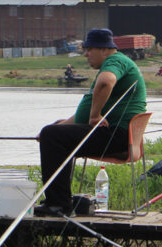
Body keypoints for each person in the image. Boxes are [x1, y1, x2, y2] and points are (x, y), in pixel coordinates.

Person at [35, 29, 147, 217]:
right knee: (53, 133)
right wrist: (60, 127)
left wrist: (95, 116)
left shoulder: (115, 61)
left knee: (52, 136)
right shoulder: (115, 62)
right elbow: (84, 113)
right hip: (117, 135)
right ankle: (60, 201)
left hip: (117, 136)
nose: (86, 54)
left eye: (89, 49)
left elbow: (105, 83)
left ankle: (59, 205)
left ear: (104, 49)